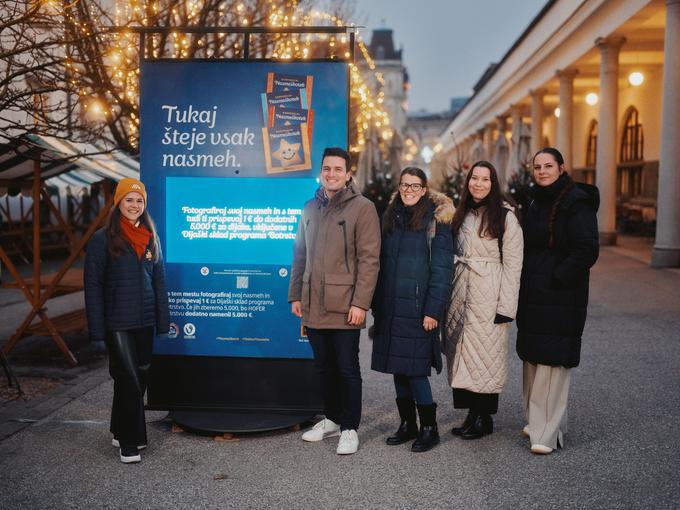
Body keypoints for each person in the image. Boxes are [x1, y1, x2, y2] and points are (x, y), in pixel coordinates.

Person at [288, 147, 380, 455]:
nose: (331, 174)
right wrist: (295, 295)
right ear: (321, 171)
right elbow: (299, 254)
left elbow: (369, 260)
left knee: (347, 368)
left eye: (338, 169)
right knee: (323, 367)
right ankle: (331, 418)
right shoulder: (309, 208)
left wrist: (360, 303)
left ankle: (349, 427)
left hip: (345, 305)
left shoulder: (363, 208)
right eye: (327, 168)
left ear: (348, 174)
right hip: (312, 301)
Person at [516, 147, 599, 455]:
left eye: (548, 165)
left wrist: (556, 277)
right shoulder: (537, 200)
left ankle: (547, 433)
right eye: (537, 166)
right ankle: (537, 421)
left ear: (561, 168)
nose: (542, 171)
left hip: (559, 296)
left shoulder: (576, 203)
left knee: (552, 364)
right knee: (533, 360)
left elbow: (587, 249)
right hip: (534, 294)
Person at [84, 178, 169, 464]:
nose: (134, 205)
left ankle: (120, 429)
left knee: (138, 376)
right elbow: (93, 285)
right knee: (130, 379)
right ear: (118, 203)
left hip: (144, 320)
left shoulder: (150, 237)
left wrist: (163, 321)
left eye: (139, 201)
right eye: (129, 200)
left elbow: (159, 281)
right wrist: (97, 331)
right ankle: (130, 443)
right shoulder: (101, 239)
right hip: (117, 322)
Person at [371, 167, 454, 453]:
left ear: (424, 189)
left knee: (416, 370)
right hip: (392, 306)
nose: (408, 190)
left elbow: (442, 272)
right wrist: (376, 303)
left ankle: (430, 428)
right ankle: (408, 424)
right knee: (398, 367)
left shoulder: (436, 222)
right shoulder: (391, 217)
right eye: (404, 185)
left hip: (419, 309)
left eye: (415, 186)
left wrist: (433, 311)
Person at [444, 161, 523, 440]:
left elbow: (514, 265)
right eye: (474, 179)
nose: (478, 184)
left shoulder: (505, 217)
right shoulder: (461, 213)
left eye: (485, 179)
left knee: (486, 357)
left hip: (489, 294)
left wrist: (506, 308)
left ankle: (484, 417)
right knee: (463, 353)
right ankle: (471, 413)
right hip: (461, 291)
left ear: (493, 183)